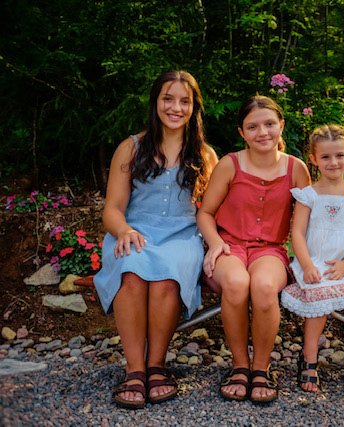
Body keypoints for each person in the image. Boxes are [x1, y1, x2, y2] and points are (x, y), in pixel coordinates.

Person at [94, 70, 218, 409]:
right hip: (134, 231)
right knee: (131, 270)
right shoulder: (131, 147)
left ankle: (156, 366)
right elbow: (112, 210)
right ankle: (134, 369)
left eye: (184, 101)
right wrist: (124, 231)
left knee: (166, 278)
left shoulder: (205, 156)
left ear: (194, 107)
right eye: (168, 98)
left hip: (182, 236)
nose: (175, 107)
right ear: (155, 102)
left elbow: (212, 212)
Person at [197, 95, 311, 404]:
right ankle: (239, 366)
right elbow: (205, 213)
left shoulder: (296, 169)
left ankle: (261, 367)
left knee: (262, 285)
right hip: (229, 245)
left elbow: (303, 224)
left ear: (281, 125)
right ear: (241, 132)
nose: (262, 132)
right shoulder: (229, 164)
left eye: (270, 124)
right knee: (235, 282)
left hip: (270, 250)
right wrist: (216, 243)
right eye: (252, 127)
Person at [281, 124, 344, 396]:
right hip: (315, 261)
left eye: (339, 155)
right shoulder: (308, 195)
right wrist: (307, 266)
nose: (333, 162)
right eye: (325, 157)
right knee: (319, 296)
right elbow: (298, 234)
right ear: (313, 159)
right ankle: (310, 358)